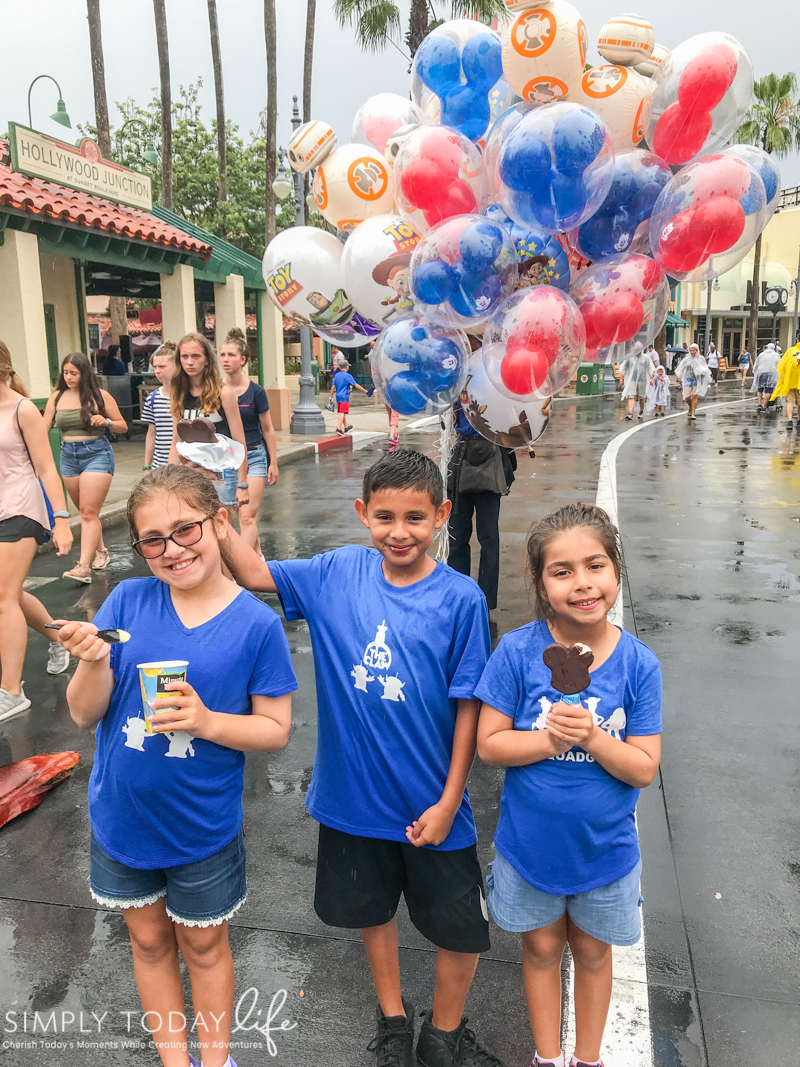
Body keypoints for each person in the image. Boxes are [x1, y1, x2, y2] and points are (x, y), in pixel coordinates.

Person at [220, 450, 502, 1067]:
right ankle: (394, 1017)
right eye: (383, 517)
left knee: (461, 929)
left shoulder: (460, 600)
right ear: (362, 514)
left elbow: (467, 708)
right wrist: (229, 508)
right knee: (372, 914)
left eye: (415, 518)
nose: (398, 532)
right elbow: (251, 572)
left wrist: (451, 799)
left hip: (433, 804)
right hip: (352, 802)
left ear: (441, 516)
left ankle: (443, 1033)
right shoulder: (334, 572)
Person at [55, 464, 297, 1067]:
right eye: (153, 540)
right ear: (139, 547)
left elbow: (275, 729)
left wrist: (207, 721)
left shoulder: (257, 625)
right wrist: (90, 661)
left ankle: (213, 1059)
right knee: (147, 940)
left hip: (201, 826)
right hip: (121, 817)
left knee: (204, 943)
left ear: (219, 523)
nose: (172, 549)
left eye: (185, 530)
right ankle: (174, 1058)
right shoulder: (128, 600)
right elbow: (85, 716)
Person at [476, 503, 662, 1067]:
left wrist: (596, 739)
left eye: (595, 565)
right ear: (540, 583)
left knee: (591, 950)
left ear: (616, 571)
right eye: (562, 571)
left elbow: (644, 768)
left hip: (605, 851)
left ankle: (587, 1058)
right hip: (529, 847)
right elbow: (490, 744)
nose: (582, 583)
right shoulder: (517, 652)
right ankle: (545, 1056)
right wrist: (551, 741)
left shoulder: (638, 665)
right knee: (540, 947)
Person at [0, 343, 74, 720]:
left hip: (21, 508)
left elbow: (47, 468)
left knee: (2, 598)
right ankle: (59, 638)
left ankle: (12, 692)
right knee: (8, 594)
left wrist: (61, 519)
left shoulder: (21, 408)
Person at [43, 352, 127, 584]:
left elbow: (122, 426)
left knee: (89, 513)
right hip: (68, 456)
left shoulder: (100, 396)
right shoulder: (57, 397)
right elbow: (42, 428)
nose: (68, 377)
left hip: (96, 453)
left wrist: (107, 421)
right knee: (86, 511)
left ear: (84, 374)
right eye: (66, 372)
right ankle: (101, 551)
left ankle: (82, 567)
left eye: (74, 373)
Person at [167, 333, 249, 511]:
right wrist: (167, 476)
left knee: (223, 528)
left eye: (196, 356)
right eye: (185, 356)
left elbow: (239, 441)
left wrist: (242, 484)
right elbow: (176, 439)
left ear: (206, 360)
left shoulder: (223, 393)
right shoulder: (178, 394)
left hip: (224, 472)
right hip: (191, 470)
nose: (190, 362)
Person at [448, 404, 516, 614]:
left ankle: (485, 599)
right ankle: (458, 594)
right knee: (458, 535)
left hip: (488, 453)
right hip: (462, 455)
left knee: (487, 537)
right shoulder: (458, 381)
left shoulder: (494, 380)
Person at [219, 327, 279, 555]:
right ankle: (258, 559)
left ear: (242, 360)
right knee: (230, 516)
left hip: (253, 455)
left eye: (231, 355)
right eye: (222, 355)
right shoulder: (215, 390)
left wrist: (273, 462)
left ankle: (240, 568)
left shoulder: (256, 392)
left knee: (247, 515)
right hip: (226, 460)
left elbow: (267, 428)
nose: (226, 359)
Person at [141, 342, 176, 472]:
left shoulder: (189, 397)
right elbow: (151, 434)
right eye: (155, 367)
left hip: (184, 466)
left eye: (162, 366)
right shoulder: (153, 398)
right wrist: (146, 466)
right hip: (159, 466)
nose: (157, 371)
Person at [330, 359, 368, 435]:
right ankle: (338, 428)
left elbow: (333, 387)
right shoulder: (348, 376)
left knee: (342, 412)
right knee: (342, 412)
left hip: (338, 396)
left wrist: (330, 397)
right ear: (347, 367)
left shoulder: (336, 375)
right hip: (344, 396)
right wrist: (365, 391)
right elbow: (356, 385)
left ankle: (346, 427)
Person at [674, 343, 711, 420]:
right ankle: (691, 407)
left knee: (694, 396)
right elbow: (681, 367)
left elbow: (705, 368)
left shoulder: (701, 359)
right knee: (687, 397)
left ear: (697, 350)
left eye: (693, 350)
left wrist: (701, 373)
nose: (692, 352)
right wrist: (679, 377)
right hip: (688, 378)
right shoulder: (687, 359)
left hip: (696, 379)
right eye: (690, 350)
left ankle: (693, 413)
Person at [770, 338, 800, 431]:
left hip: (789, 381)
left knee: (790, 402)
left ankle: (790, 421)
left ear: (797, 340)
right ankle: (799, 420)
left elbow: (782, 365)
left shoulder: (790, 351)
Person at [619, 343, 652, 420]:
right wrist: (621, 378)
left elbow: (650, 368)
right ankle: (630, 413)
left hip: (642, 380)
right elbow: (624, 368)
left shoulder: (646, 358)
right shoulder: (630, 358)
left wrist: (651, 378)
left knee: (642, 397)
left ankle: (641, 410)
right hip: (632, 380)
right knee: (631, 395)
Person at [751, 343, 780, 413]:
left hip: (760, 373)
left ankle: (759, 404)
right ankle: (764, 406)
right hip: (771, 374)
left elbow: (756, 365)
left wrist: (754, 372)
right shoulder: (776, 355)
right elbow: (780, 365)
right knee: (768, 390)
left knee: (759, 389)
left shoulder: (761, 355)